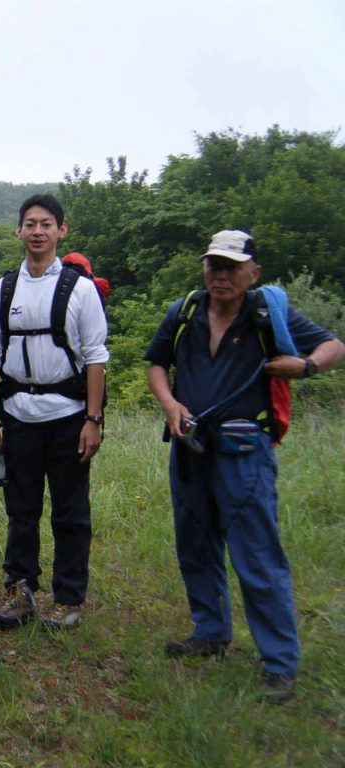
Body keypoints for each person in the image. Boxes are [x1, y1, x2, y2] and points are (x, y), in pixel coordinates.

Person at [145, 229, 344, 703]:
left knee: (256, 555)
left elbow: (334, 346)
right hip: (190, 447)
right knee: (195, 546)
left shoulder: (266, 313)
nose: (221, 275)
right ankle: (210, 634)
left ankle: (279, 664)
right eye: (214, 265)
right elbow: (156, 364)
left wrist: (306, 367)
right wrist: (170, 404)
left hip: (245, 453)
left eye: (232, 267)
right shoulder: (185, 311)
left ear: (253, 273)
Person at [0, 194, 109, 631]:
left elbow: (96, 357)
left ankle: (68, 599)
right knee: (21, 511)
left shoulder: (80, 289)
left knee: (70, 512)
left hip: (70, 416)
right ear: (19, 231)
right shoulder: (2, 291)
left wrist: (93, 420)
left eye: (46, 224)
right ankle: (20, 592)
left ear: (61, 231)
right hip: (18, 417)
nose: (38, 231)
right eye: (30, 224)